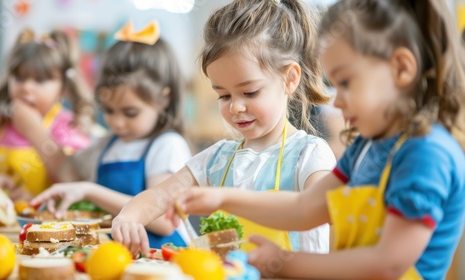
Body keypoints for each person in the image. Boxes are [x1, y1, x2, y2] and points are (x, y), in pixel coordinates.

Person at [168, 0, 465, 279]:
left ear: (401, 68)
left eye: (345, 83)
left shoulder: (427, 154)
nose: (336, 102)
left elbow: (387, 264)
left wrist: (283, 262)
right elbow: (304, 208)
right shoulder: (366, 148)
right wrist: (223, 198)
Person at [111, 0, 336, 256]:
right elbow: (160, 196)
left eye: (249, 92)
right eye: (224, 95)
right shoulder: (218, 159)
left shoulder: (309, 154)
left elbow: (314, 209)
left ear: (290, 79)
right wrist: (128, 217)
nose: (235, 107)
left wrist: (227, 199)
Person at [30, 20, 192, 248]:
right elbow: (67, 173)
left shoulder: (167, 145)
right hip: (120, 258)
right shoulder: (106, 146)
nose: (117, 122)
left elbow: (164, 221)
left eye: (130, 113)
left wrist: (90, 191)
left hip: (164, 259)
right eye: (108, 111)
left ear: (163, 98)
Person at [0, 29, 93, 202]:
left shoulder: (69, 126)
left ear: (63, 87)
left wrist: (33, 130)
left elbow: (76, 180)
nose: (26, 87)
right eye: (19, 78)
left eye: (40, 80)